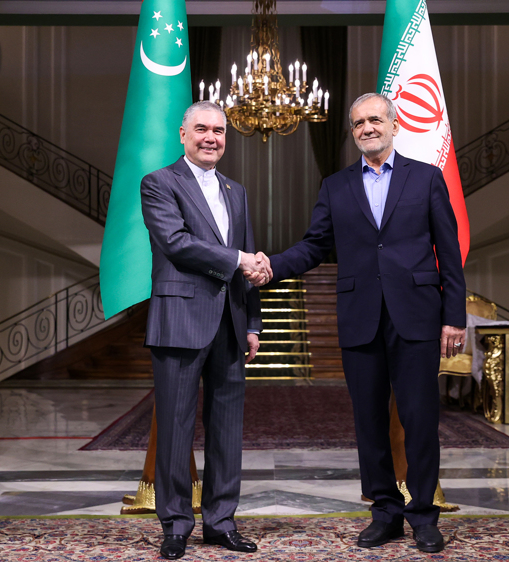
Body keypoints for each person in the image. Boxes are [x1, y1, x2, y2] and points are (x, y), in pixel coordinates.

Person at [252, 93, 466, 553]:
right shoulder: (335, 185)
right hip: (359, 317)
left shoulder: (427, 179)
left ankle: (423, 515)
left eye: (374, 120)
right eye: (357, 123)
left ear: (394, 124)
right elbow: (314, 246)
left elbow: (449, 252)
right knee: (368, 422)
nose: (367, 128)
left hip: (417, 318)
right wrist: (272, 265)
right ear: (352, 133)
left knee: (420, 419)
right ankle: (385, 512)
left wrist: (455, 316)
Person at [141, 101, 270, 560]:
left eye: (219, 130)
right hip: (179, 321)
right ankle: (175, 525)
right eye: (202, 129)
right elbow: (175, 243)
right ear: (183, 134)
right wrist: (239, 260)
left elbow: (248, 255)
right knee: (175, 429)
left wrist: (253, 321)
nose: (211, 137)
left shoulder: (236, 190)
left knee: (226, 430)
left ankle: (220, 522)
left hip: (231, 323)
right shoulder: (159, 183)